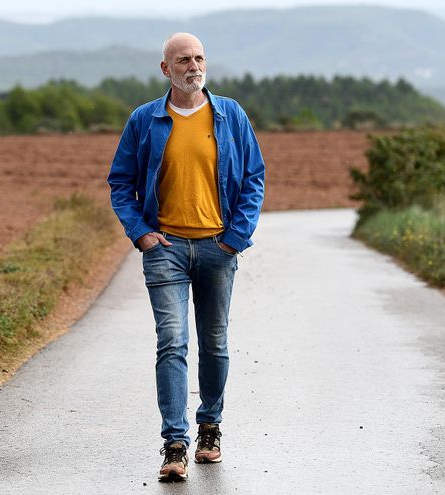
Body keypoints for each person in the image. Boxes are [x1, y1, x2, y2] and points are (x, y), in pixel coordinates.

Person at [107, 32, 266, 481]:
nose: (193, 66)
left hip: (219, 246)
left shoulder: (229, 114)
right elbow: (121, 182)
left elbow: (254, 176)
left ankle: (209, 428)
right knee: (172, 342)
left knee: (214, 344)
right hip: (166, 250)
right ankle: (174, 444)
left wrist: (236, 237)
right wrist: (141, 233)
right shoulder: (145, 120)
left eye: (199, 58)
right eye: (183, 60)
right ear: (166, 69)